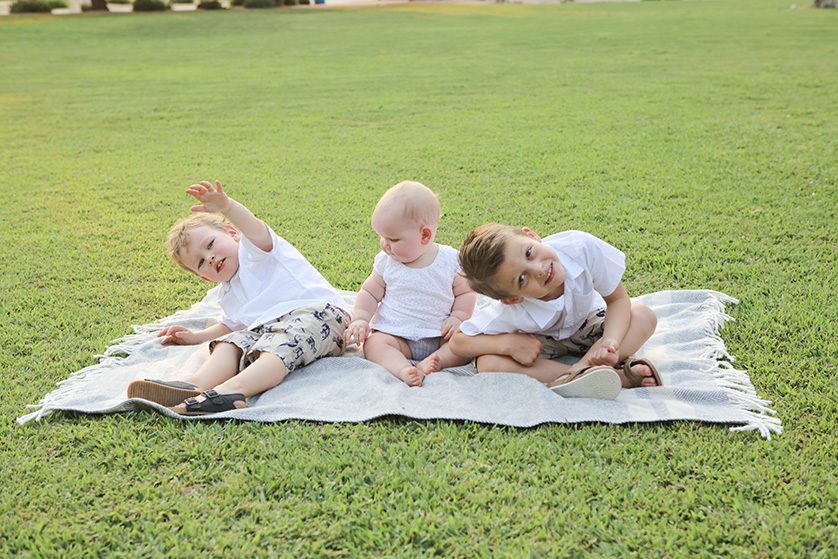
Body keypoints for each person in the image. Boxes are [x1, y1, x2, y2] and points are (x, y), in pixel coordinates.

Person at [127, 180, 349, 415]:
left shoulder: (256, 250)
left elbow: (252, 226)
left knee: (280, 342)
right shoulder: (227, 292)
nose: (210, 258)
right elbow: (229, 325)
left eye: (211, 245)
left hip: (320, 315)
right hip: (270, 328)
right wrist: (195, 337)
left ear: (233, 234)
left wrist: (227, 206)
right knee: (231, 341)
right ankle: (196, 385)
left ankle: (232, 390)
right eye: (201, 262)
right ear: (204, 278)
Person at [448, 224, 662, 400]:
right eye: (522, 279)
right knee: (488, 363)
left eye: (529, 253)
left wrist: (610, 342)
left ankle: (577, 372)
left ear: (530, 235)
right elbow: (459, 341)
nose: (538, 269)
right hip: (542, 342)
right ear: (512, 298)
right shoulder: (512, 310)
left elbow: (617, 300)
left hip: (589, 325)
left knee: (644, 316)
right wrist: (508, 344)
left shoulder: (580, 248)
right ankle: (613, 376)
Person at [344, 181, 477, 387]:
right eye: (382, 236)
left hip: (440, 333)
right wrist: (361, 319)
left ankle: (437, 360)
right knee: (374, 344)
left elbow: (466, 293)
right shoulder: (386, 262)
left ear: (424, 235)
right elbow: (369, 292)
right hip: (397, 334)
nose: (384, 244)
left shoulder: (450, 261)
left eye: (393, 239)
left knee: (464, 344)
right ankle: (402, 369)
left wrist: (458, 317)